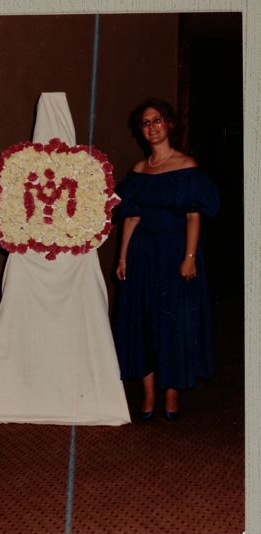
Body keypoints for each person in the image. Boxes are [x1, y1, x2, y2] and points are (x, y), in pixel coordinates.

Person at [0, 93, 130, 425]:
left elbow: (99, 220)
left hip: (67, 265)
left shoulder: (86, 168)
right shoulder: (20, 166)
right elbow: (6, 220)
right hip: (36, 265)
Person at [114, 98, 220, 421]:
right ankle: (148, 395)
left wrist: (189, 257)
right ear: (141, 131)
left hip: (175, 251)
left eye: (157, 120)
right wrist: (122, 258)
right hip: (143, 254)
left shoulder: (187, 167)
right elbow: (130, 218)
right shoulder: (138, 171)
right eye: (146, 123)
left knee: (173, 323)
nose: (152, 126)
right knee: (143, 322)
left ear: (169, 124)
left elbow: (193, 217)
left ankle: (171, 395)